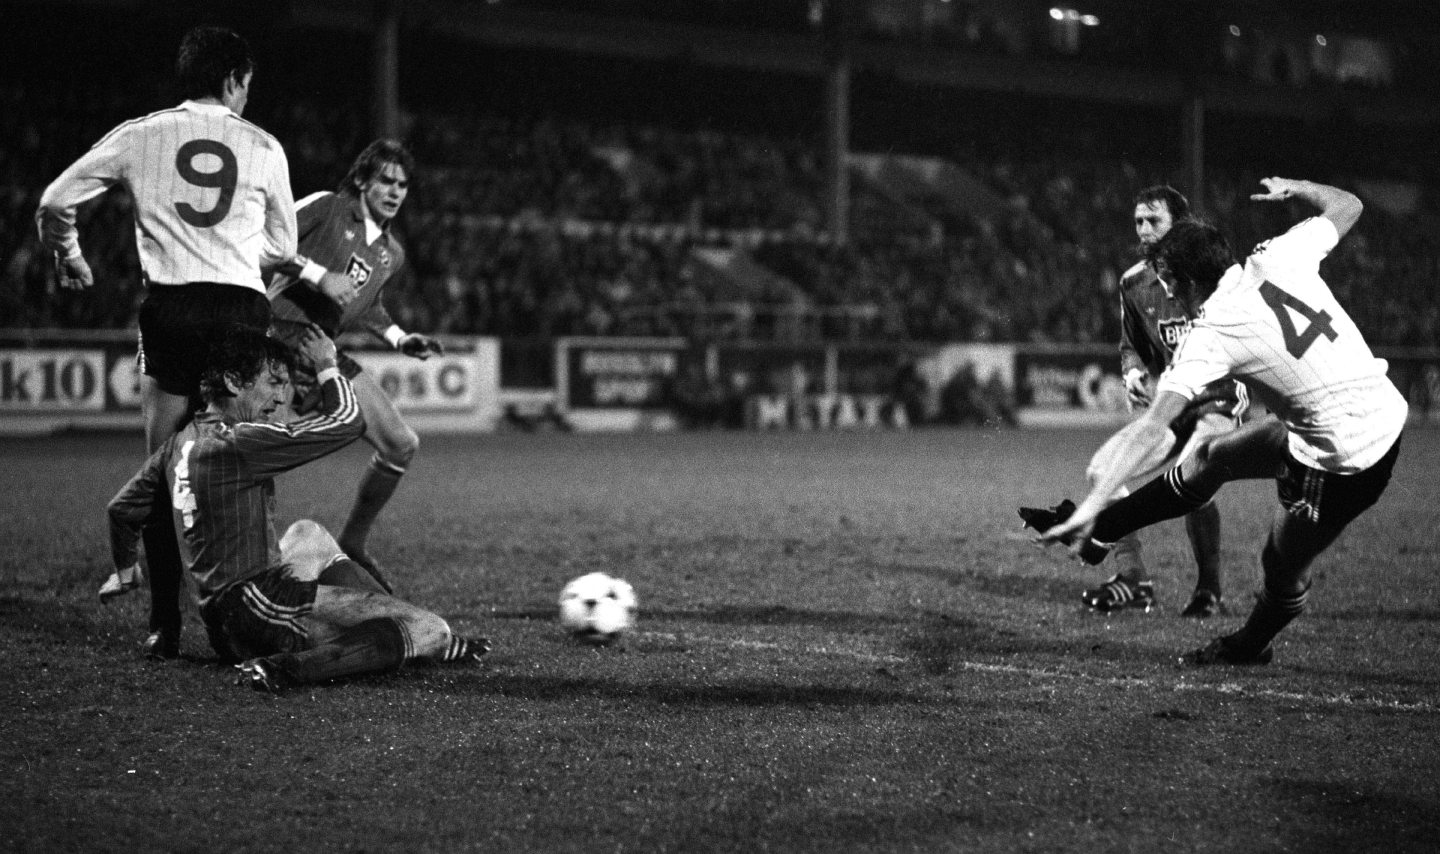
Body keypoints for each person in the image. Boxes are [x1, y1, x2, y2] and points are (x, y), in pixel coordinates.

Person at [36, 26, 353, 659]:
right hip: (241, 307)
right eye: (246, 86)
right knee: (252, 452)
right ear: (234, 79)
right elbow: (284, 249)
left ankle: (164, 625)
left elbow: (54, 199)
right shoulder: (264, 145)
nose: (246, 96)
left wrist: (69, 256)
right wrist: (233, 247)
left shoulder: (140, 134)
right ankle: (249, 599)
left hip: (173, 306)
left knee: (163, 465)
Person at [1027, 177, 1406, 666]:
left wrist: (1094, 499)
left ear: (1184, 283)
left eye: (1167, 282)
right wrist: (1298, 188)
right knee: (1211, 455)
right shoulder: (1276, 255)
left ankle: (1250, 645)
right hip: (1370, 408)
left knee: (1280, 564)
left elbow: (1151, 428)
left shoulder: (1213, 329)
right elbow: (1350, 203)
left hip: (1347, 458)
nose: (1164, 291)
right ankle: (1104, 533)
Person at [105, 323, 489, 692]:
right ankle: (289, 668)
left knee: (309, 533)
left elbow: (121, 510)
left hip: (225, 617)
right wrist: (327, 365)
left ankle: (392, 619)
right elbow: (346, 422)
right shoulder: (237, 442)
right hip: (259, 612)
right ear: (234, 382)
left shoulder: (179, 443)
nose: (279, 397)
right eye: (272, 383)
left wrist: (125, 569)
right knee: (430, 628)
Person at [266, 139, 442, 591]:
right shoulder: (328, 208)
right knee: (257, 459)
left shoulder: (390, 252)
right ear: (363, 179)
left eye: (402, 184)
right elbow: (263, 240)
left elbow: (366, 305)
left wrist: (401, 338)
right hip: (273, 348)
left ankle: (354, 541)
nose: (395, 191)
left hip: (322, 350)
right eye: (386, 180)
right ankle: (250, 564)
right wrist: (318, 275)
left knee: (400, 443)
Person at [1074, 186, 1246, 618]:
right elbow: (1131, 344)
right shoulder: (1134, 283)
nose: (1144, 229)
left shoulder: (1213, 276)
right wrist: (1133, 371)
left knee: (1194, 476)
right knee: (1101, 471)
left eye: (1154, 221)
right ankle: (1134, 580)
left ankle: (1209, 590)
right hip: (1171, 407)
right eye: (1138, 222)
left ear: (1180, 225)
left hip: (1217, 402)